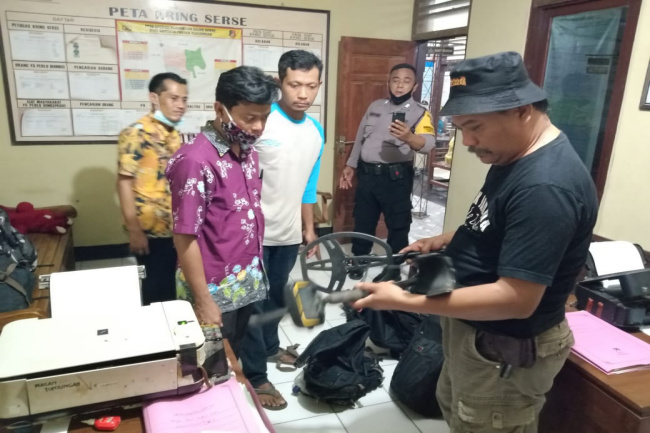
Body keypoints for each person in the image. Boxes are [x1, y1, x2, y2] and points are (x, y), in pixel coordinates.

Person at [351, 51, 599, 432]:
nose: (467, 141)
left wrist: (406, 301)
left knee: (483, 421)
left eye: (475, 126)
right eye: (461, 128)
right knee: (458, 411)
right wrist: (447, 239)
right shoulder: (514, 156)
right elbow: (498, 222)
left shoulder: (546, 186)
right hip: (474, 332)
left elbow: (517, 299)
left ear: (522, 111)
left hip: (505, 348)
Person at [165, 66, 278, 359]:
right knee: (208, 366)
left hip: (245, 282)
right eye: (249, 118)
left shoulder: (248, 151)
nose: (259, 127)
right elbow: (184, 236)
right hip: (211, 288)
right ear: (220, 109)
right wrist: (203, 301)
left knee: (233, 357)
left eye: (265, 117)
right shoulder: (194, 161)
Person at [240, 50, 324, 410]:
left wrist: (309, 228)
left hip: (288, 233)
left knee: (276, 295)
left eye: (311, 86)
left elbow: (308, 184)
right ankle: (255, 375)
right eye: (295, 84)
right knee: (252, 304)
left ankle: (271, 348)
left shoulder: (315, 131)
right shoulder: (261, 122)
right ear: (280, 82)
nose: (303, 94)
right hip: (252, 234)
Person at [339, 63, 436, 281]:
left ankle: (393, 268)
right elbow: (360, 138)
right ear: (388, 82)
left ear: (415, 86)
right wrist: (350, 165)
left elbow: (428, 144)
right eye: (395, 80)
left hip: (396, 178)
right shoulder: (376, 106)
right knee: (363, 220)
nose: (400, 85)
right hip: (367, 175)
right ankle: (359, 259)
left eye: (406, 81)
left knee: (398, 224)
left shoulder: (420, 113)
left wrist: (409, 137)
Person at [116, 72, 188, 305]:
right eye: (174, 98)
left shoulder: (173, 133)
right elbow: (124, 182)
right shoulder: (135, 133)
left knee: (172, 285)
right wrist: (134, 230)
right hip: (150, 230)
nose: (180, 105)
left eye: (184, 99)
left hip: (174, 226)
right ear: (154, 98)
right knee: (156, 289)